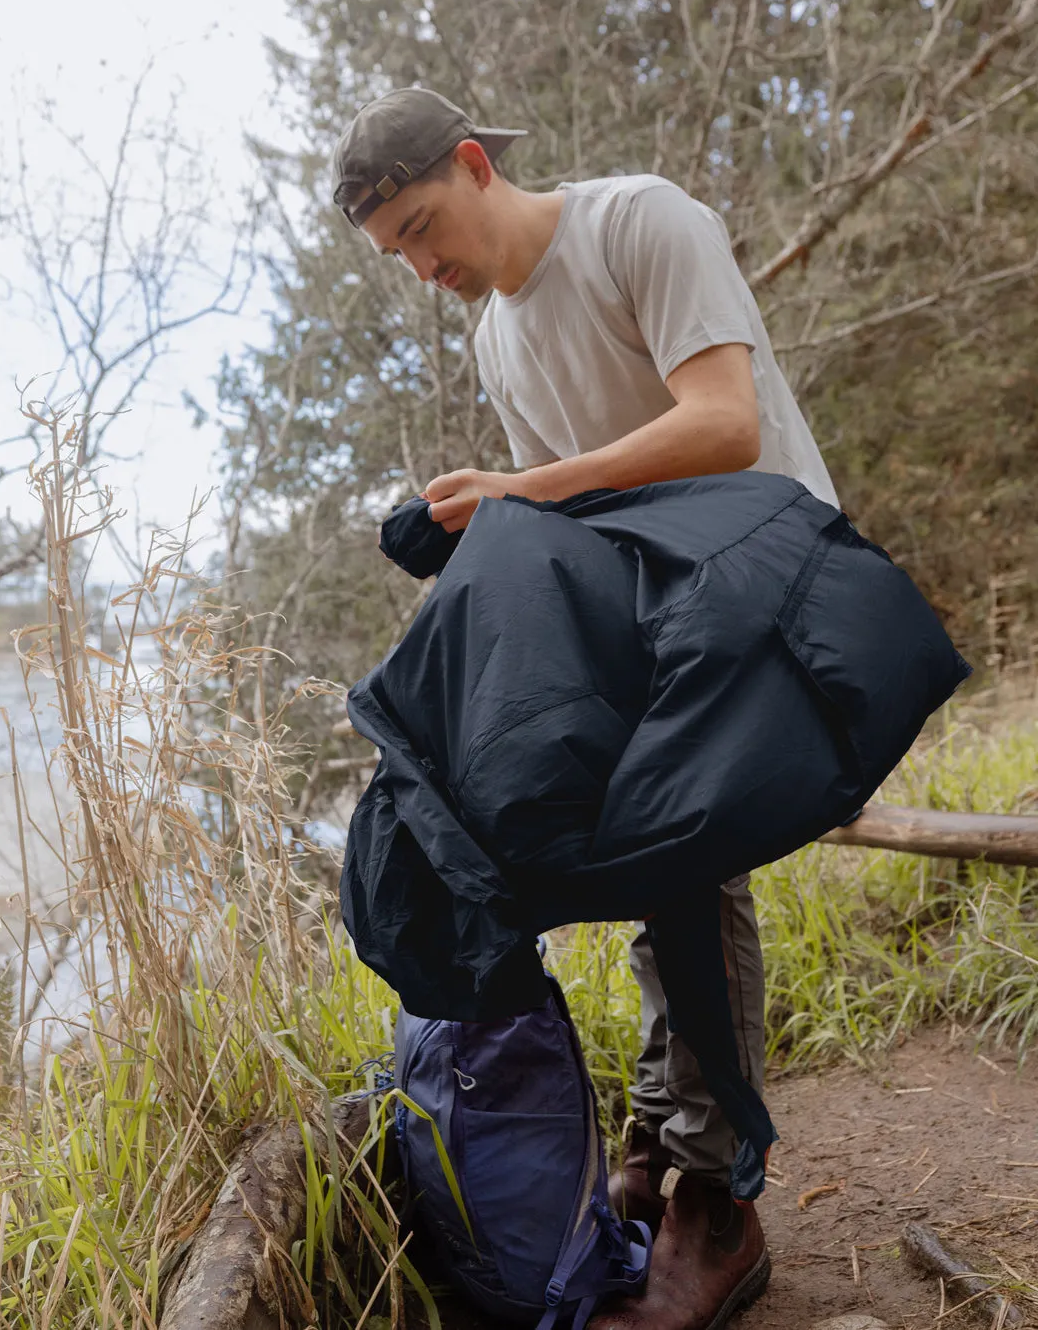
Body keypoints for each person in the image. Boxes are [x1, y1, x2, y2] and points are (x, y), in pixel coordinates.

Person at [332, 85, 840, 1330]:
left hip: (781, 585)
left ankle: (718, 1194)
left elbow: (724, 425)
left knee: (682, 847)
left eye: (419, 225)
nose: (421, 265)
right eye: (395, 250)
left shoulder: (640, 225)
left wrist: (524, 492)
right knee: (548, 816)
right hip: (659, 611)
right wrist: (484, 532)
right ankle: (667, 1141)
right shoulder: (499, 338)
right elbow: (576, 524)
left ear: (473, 164)